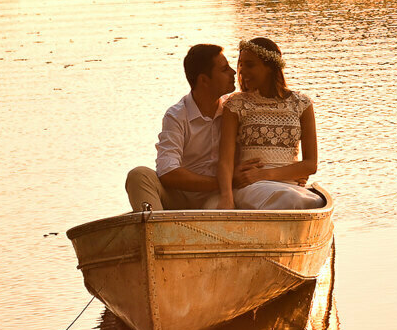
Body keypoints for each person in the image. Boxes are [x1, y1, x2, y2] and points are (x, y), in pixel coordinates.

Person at [125, 42, 250, 211]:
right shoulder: (176, 115)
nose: (233, 72)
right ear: (204, 80)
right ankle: (155, 232)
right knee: (138, 175)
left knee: (220, 206)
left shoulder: (235, 109)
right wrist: (223, 182)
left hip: (222, 197)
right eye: (224, 69)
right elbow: (168, 172)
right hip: (180, 198)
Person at [215, 36, 328, 211]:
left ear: (270, 67)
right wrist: (227, 198)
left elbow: (310, 164)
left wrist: (264, 174)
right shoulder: (236, 104)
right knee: (291, 200)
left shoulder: (302, 104)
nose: (242, 71)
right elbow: (225, 161)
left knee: (316, 201)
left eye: (250, 65)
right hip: (250, 187)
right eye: (241, 64)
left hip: (290, 185)